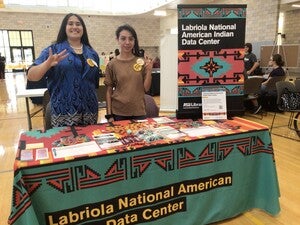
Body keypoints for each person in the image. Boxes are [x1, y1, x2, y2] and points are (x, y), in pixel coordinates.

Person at [27, 13, 100, 127]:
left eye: (78, 24)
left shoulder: (92, 53)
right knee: (65, 144)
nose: (74, 27)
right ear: (64, 28)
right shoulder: (53, 50)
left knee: (89, 144)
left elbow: (94, 84)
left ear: (83, 28)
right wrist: (47, 64)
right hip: (63, 112)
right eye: (70, 24)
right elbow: (31, 76)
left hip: (90, 112)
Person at [104, 24, 153, 122]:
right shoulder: (112, 64)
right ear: (117, 40)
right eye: (123, 39)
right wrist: (109, 115)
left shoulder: (141, 62)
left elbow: (146, 89)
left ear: (134, 41)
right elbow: (109, 91)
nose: (127, 42)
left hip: (139, 112)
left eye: (131, 39)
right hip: (118, 113)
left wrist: (148, 71)